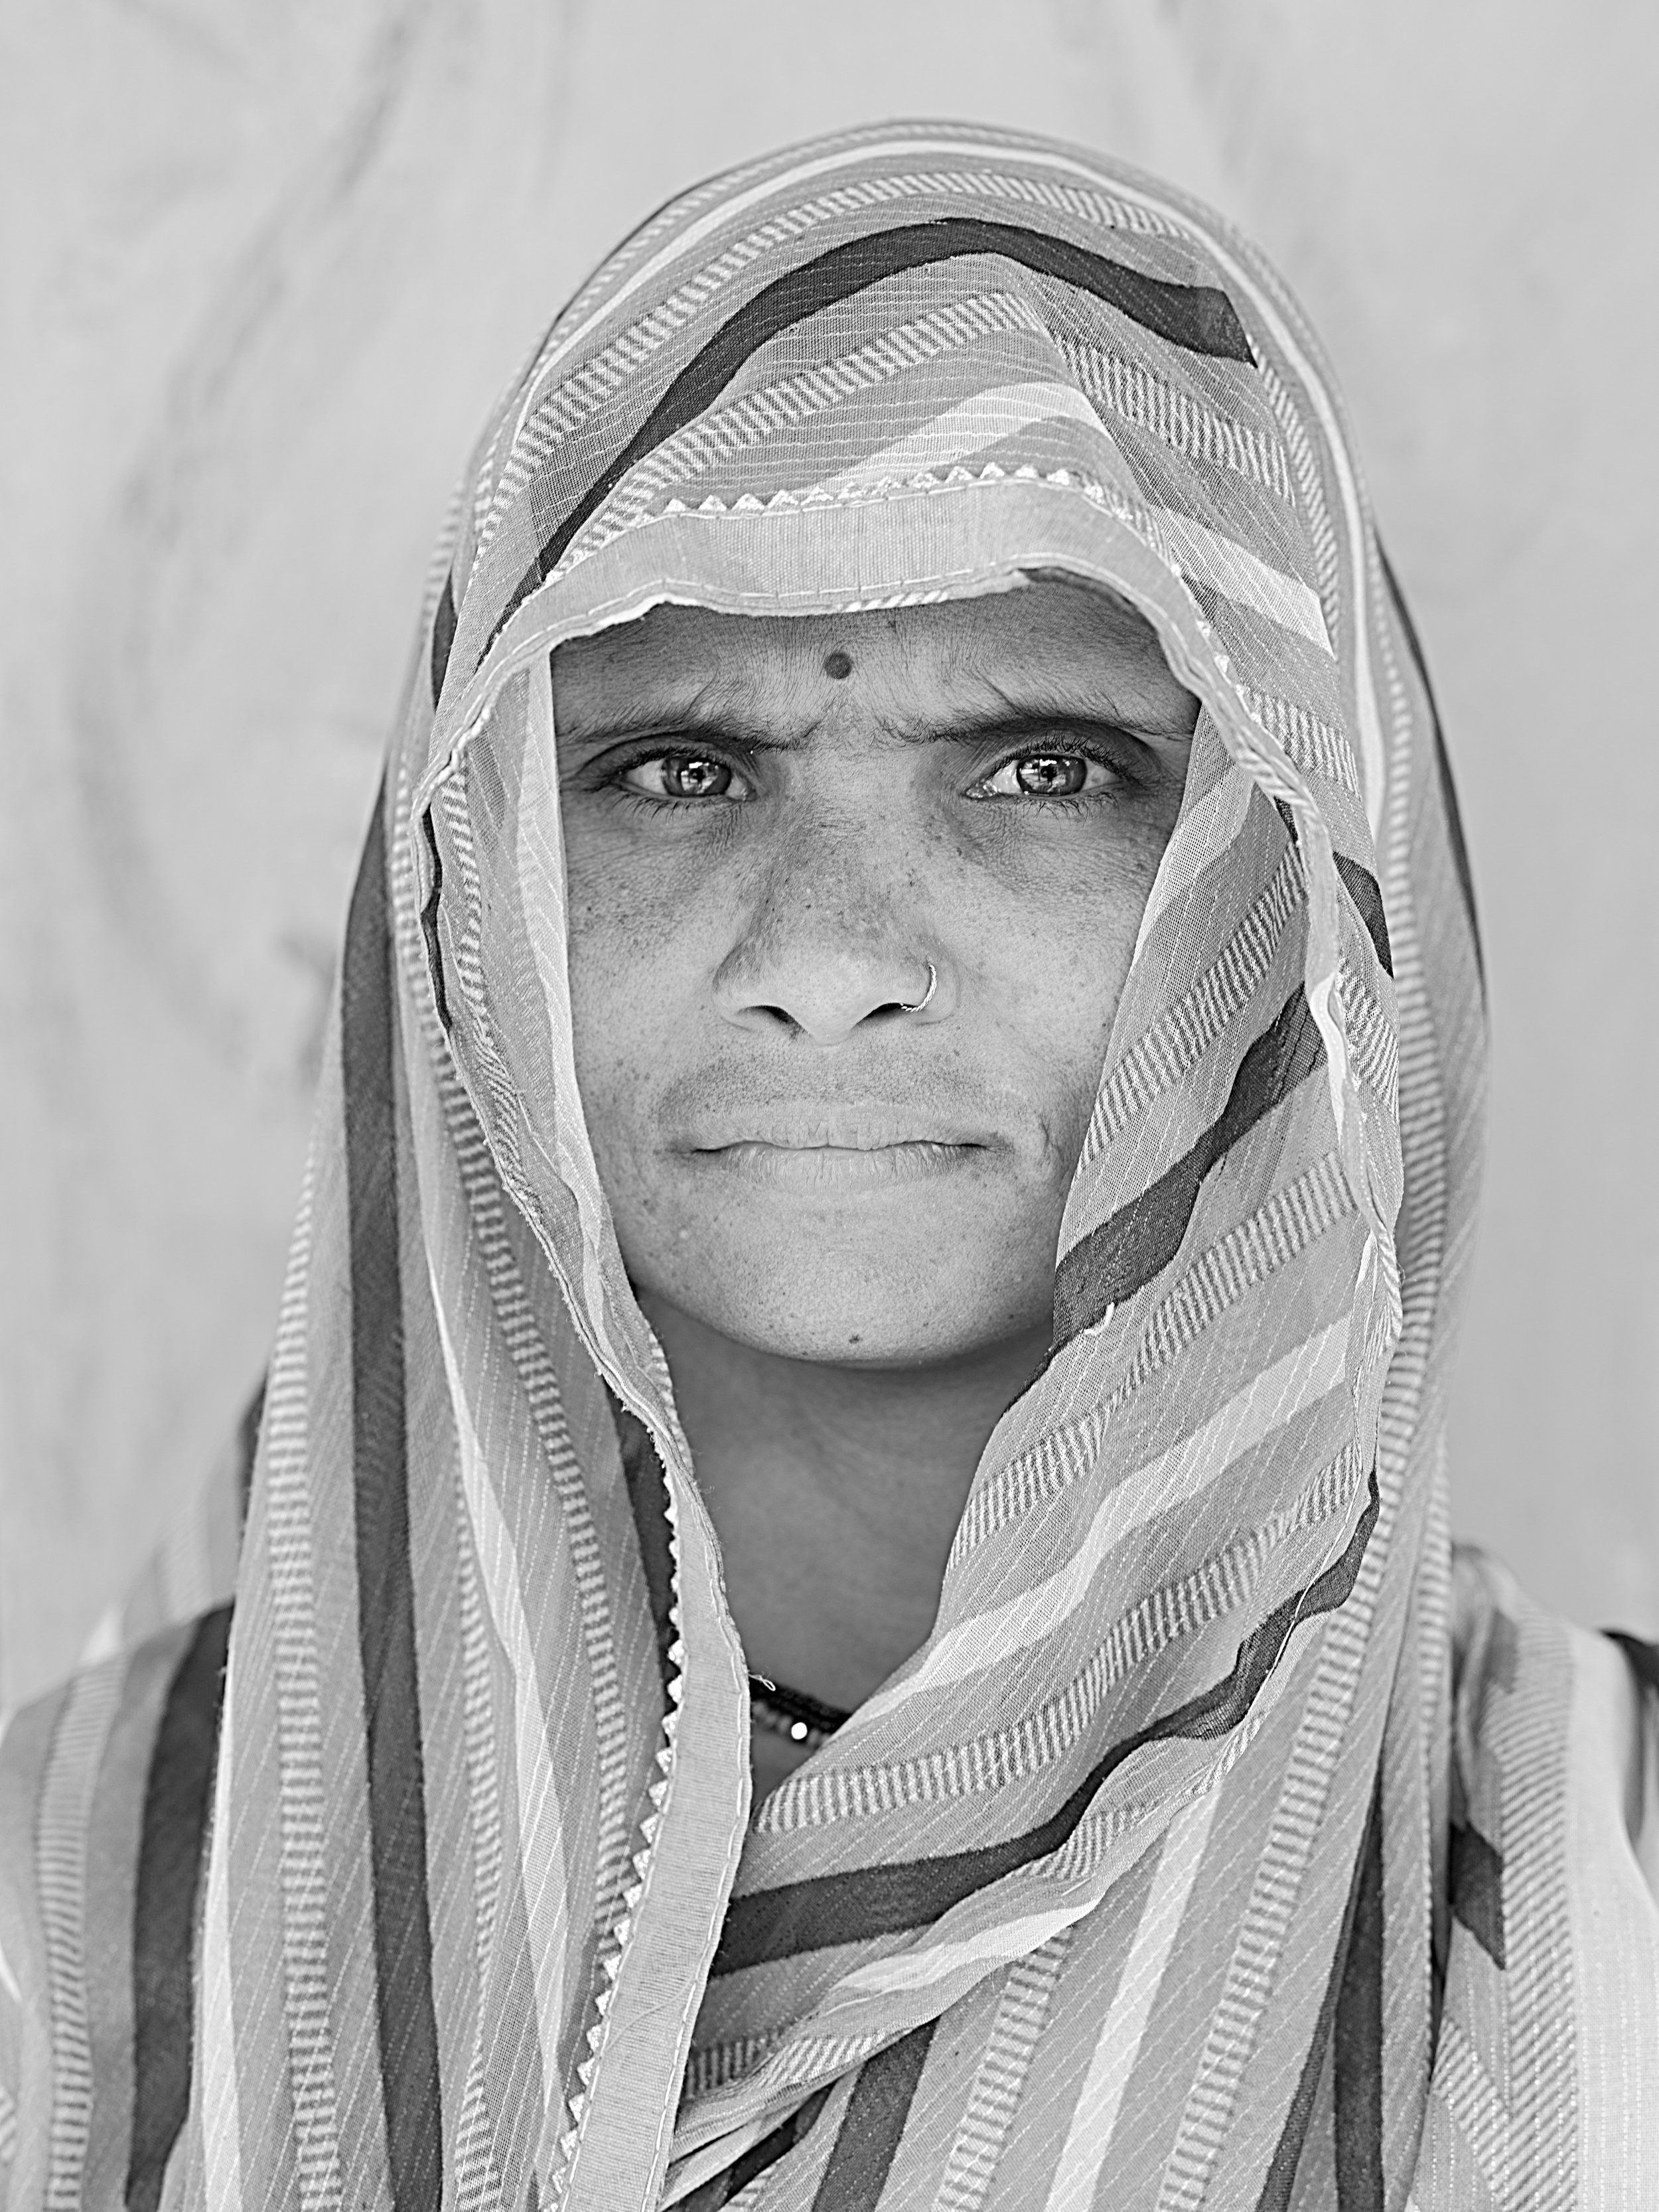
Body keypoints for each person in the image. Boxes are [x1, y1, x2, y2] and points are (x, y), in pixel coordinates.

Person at [1, 119, 1654, 2212]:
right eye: (674, 769)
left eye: (1049, 769)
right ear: (470, 904)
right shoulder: (61, 1929)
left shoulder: (1601, 1913)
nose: (830, 959)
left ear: (1303, 891)